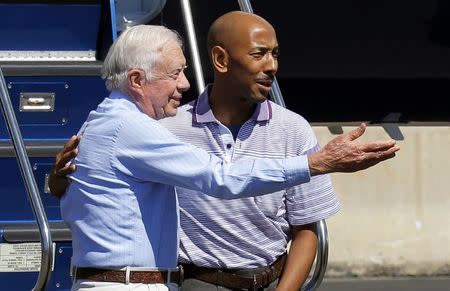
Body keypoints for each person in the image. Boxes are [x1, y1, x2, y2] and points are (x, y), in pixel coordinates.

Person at [49, 23, 399, 291]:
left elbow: (90, 197)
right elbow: (220, 178)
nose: (185, 85)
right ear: (137, 80)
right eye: (175, 74)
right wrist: (315, 163)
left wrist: (58, 184)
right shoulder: (134, 128)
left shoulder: (106, 122)